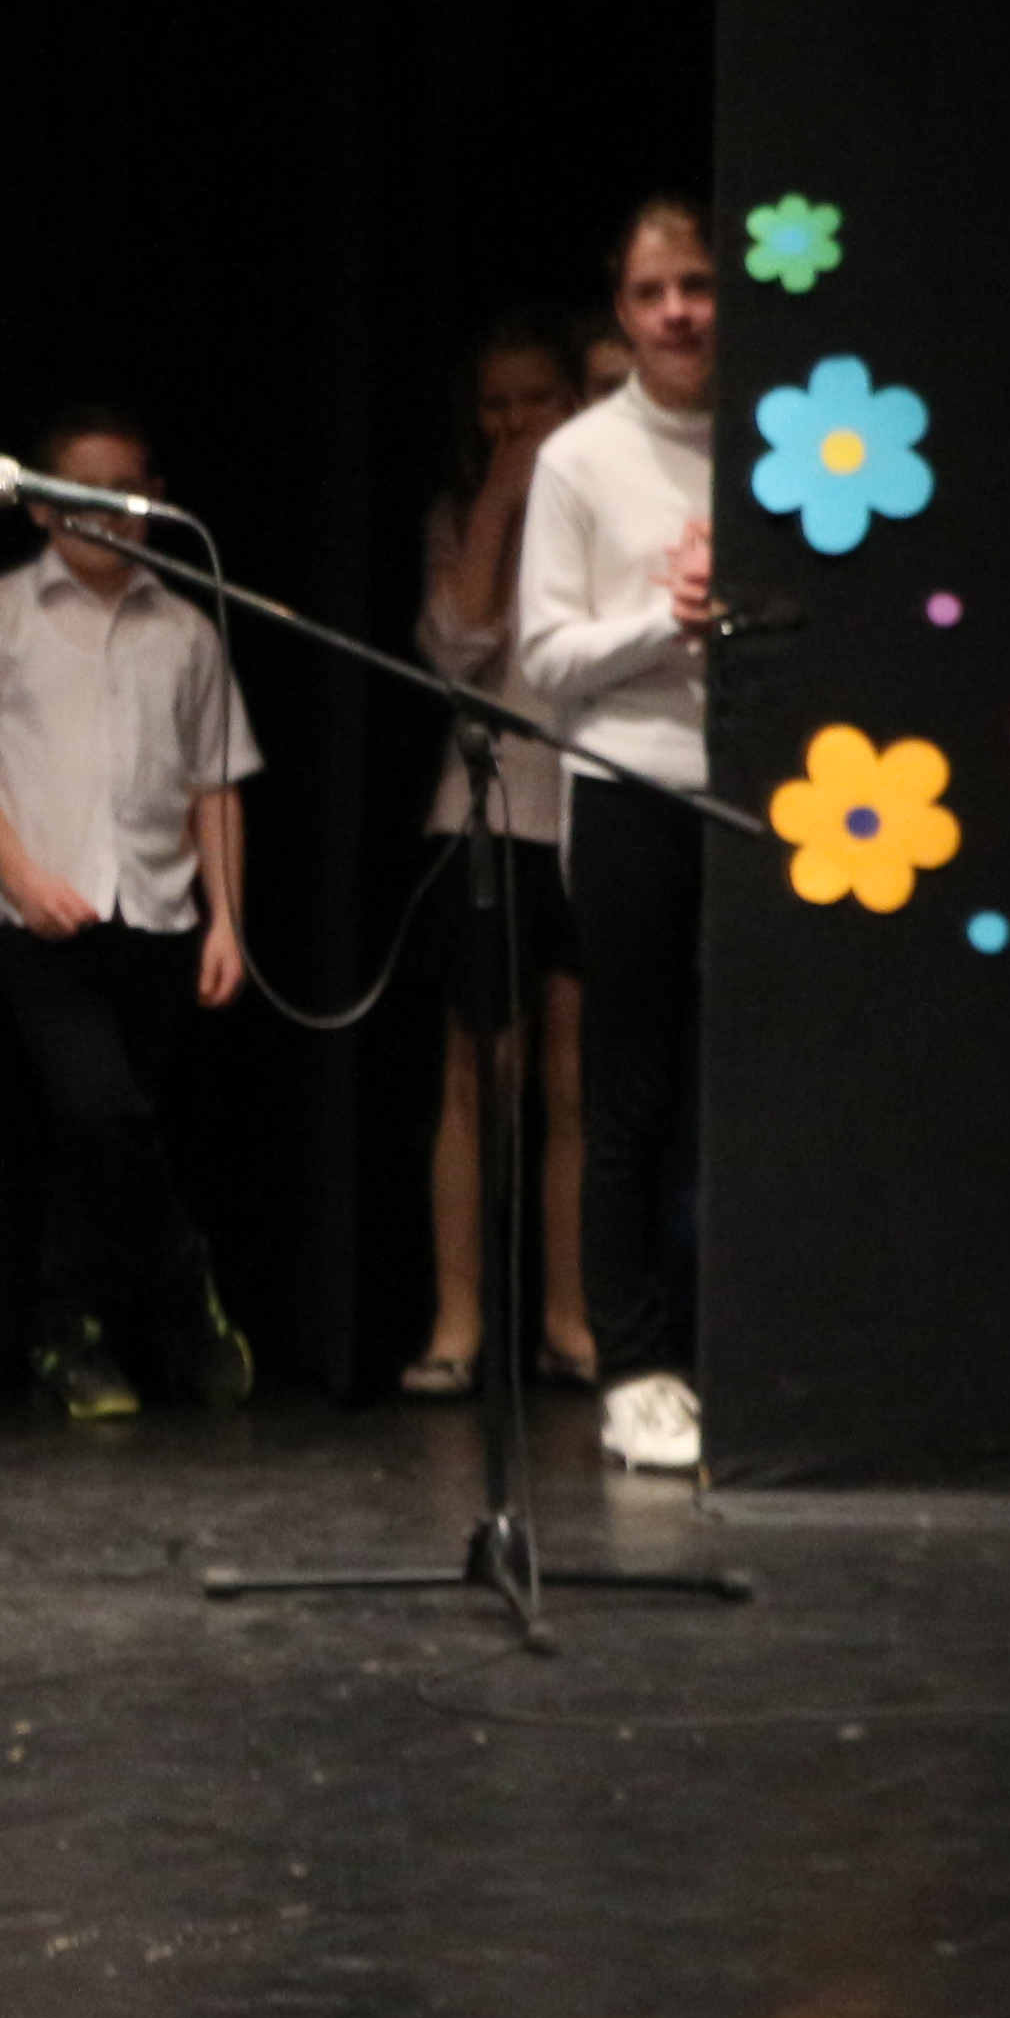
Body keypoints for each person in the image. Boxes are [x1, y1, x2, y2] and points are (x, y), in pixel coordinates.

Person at [0, 404, 263, 1420]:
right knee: (99, 1111)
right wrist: (21, 876)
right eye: (82, 493)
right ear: (40, 504)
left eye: (126, 493)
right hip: (39, 918)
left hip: (155, 912)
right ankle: (184, 1285)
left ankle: (71, 1329)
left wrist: (226, 920)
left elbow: (215, 786)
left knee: (102, 1135)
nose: (106, 513)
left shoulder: (187, 631)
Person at [515, 198, 724, 1474]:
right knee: (629, 1087)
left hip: (781, 800)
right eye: (652, 293)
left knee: (751, 1081)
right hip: (633, 790)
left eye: (697, 285)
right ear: (621, 307)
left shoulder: (785, 439)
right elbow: (544, 658)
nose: (679, 313)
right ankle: (634, 1365)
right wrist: (670, 621)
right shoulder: (580, 459)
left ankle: (734, 1345)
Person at [403, 311, 595, 1399]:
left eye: (538, 399)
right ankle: (458, 1319)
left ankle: (569, 1320)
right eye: (497, 403)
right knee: (478, 1077)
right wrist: (498, 507)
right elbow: (456, 645)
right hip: (487, 815)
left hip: (589, 815)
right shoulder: (459, 514)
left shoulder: (609, 505)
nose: (517, 421)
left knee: (574, 1083)